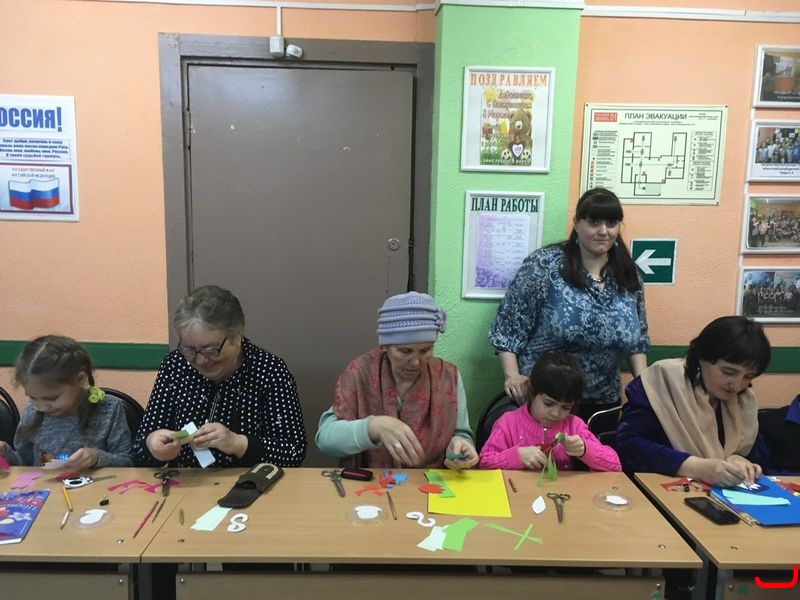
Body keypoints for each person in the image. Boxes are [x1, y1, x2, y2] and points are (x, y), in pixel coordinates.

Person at [488, 187, 649, 421]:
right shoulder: (545, 266)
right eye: (594, 222)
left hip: (603, 406)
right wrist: (512, 376)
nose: (603, 231)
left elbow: (638, 341)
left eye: (611, 223)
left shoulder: (628, 273)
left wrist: (644, 388)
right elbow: (508, 327)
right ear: (577, 223)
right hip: (548, 403)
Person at [134, 284, 307, 468]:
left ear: (237, 335)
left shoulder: (269, 371)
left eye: (210, 349)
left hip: (249, 482)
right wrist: (152, 446)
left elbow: (293, 451)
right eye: (190, 349)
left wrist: (238, 444)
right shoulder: (176, 365)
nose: (200, 360)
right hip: (185, 483)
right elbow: (139, 450)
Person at [315, 291, 478, 470]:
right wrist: (373, 427)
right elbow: (325, 439)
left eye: (425, 351)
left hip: (431, 482)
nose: (416, 362)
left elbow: (461, 433)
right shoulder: (360, 373)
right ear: (385, 346)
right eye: (405, 351)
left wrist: (460, 444)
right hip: (373, 479)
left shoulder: (448, 377)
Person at [616, 316, 771, 487]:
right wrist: (696, 467)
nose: (737, 385)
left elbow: (756, 456)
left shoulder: (744, 400)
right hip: (651, 490)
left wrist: (741, 462)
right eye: (729, 372)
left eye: (748, 376)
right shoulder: (663, 381)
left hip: (718, 494)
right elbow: (627, 445)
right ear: (702, 358)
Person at [0, 335, 132, 468]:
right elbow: (25, 465)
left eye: (52, 398)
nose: (41, 407)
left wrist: (96, 457)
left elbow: (127, 462)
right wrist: (5, 452)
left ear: (80, 380)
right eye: (32, 397)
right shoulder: (32, 410)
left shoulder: (109, 410)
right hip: (44, 482)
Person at [479, 350, 620, 471]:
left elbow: (615, 466)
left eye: (566, 407)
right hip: (516, 493)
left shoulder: (574, 426)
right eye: (548, 403)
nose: (555, 414)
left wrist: (585, 450)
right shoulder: (508, 423)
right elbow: (484, 464)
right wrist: (517, 456)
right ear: (532, 392)